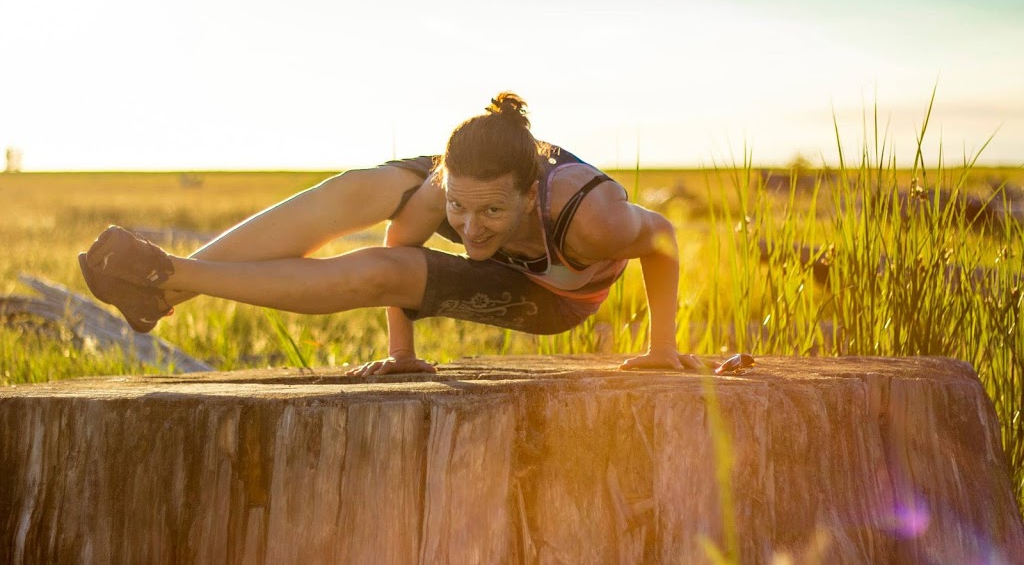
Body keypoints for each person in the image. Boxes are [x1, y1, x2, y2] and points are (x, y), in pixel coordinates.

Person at [79, 92, 700, 375]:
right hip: (474, 188)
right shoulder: (446, 189)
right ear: (446, 180)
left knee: (387, 276)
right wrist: (402, 352)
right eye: (459, 206)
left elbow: (664, 237)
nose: (470, 228)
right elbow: (400, 240)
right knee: (363, 189)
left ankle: (173, 277)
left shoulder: (591, 218)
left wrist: (664, 346)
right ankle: (164, 289)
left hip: (557, 291)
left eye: (490, 212)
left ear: (526, 191)